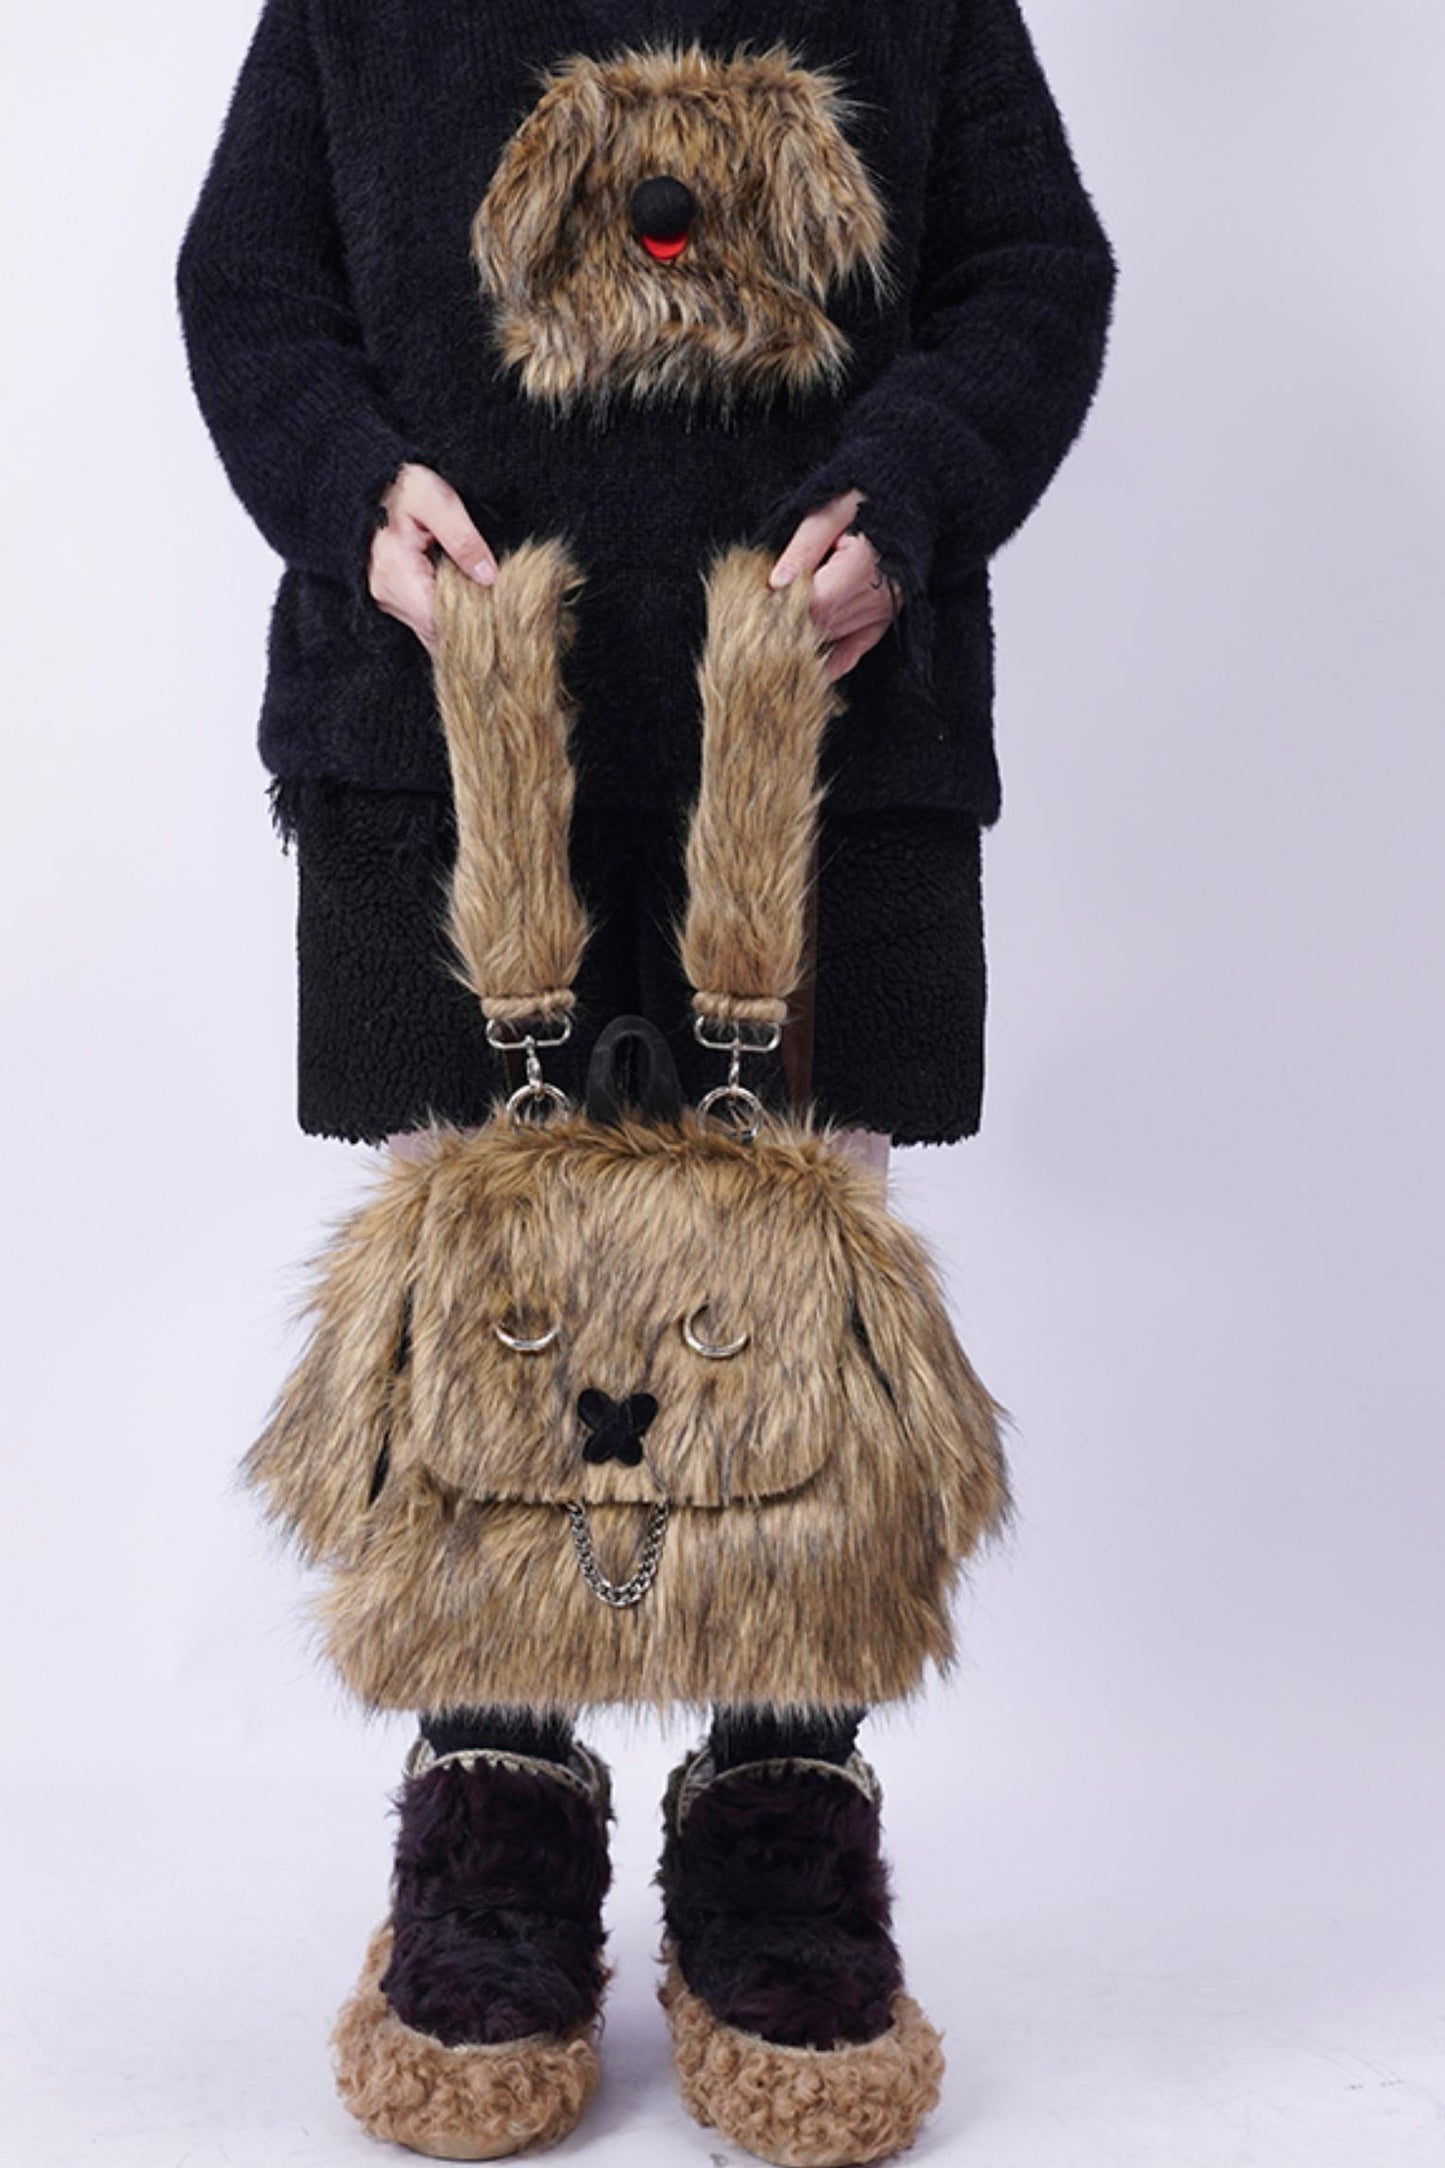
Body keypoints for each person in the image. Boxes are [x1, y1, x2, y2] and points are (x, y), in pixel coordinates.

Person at [177, 2, 1115, 2159]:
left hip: (818, 730)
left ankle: (783, 1785)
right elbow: (249, 276)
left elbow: (1031, 267)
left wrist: (911, 495)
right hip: (440, 722)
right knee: (482, 1294)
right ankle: (492, 1779)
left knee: (789, 1301)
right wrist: (350, 496)